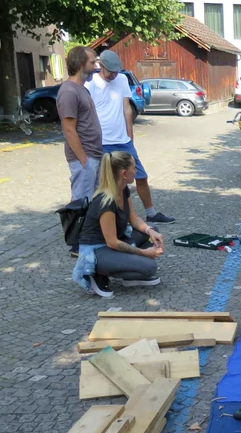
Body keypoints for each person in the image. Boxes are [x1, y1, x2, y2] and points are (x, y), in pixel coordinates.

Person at [86, 50, 175, 225]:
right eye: (110, 71)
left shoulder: (122, 80)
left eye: (116, 71)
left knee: (140, 175)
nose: (113, 75)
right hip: (102, 142)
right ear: (100, 66)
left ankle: (151, 213)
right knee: (105, 183)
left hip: (123, 140)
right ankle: (101, 219)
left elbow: (127, 108)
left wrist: (130, 135)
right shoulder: (91, 84)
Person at [72, 151, 165, 298]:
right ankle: (98, 272)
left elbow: (133, 218)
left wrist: (150, 231)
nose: (136, 171)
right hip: (99, 250)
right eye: (133, 168)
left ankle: (130, 273)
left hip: (114, 241)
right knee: (150, 267)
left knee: (153, 230)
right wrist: (144, 253)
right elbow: (112, 242)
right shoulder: (107, 202)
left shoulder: (123, 189)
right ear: (124, 173)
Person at [57, 46, 102, 204]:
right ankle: (78, 230)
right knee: (81, 205)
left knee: (95, 203)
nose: (95, 67)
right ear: (80, 63)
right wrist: (84, 161)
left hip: (93, 155)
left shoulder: (82, 89)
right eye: (92, 62)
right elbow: (69, 130)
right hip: (85, 158)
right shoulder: (69, 92)